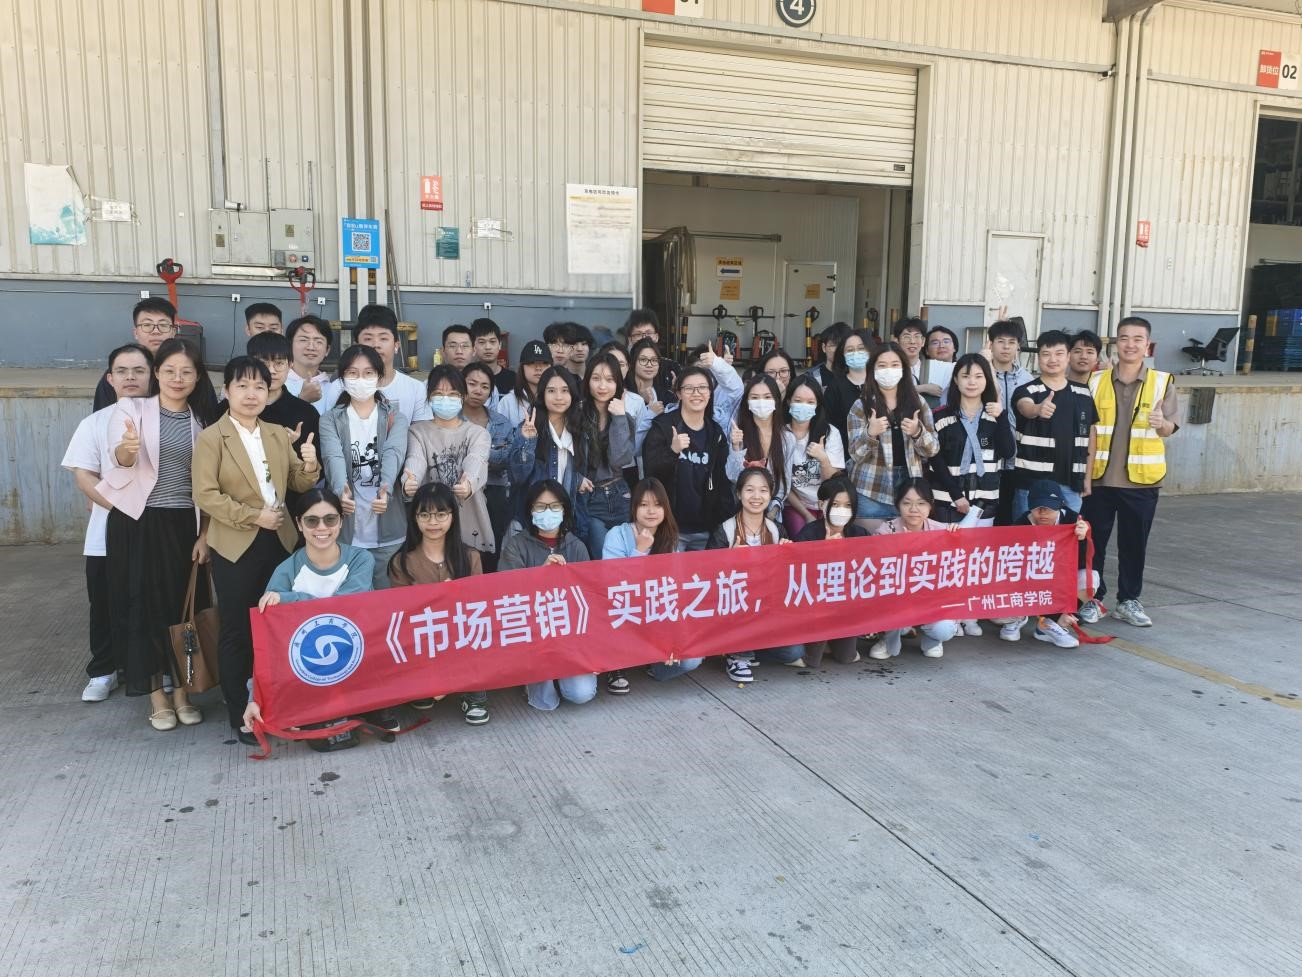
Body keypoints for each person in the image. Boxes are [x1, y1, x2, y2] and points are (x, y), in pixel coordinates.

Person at [193, 356, 322, 737]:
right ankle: (240, 712)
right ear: (226, 391)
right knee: (237, 628)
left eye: (259, 387)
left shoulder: (276, 433)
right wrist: (253, 516)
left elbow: (297, 482)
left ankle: (279, 702)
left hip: (279, 540)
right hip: (235, 544)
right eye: (243, 386)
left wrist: (310, 465)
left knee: (278, 625)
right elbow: (205, 494)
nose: (251, 394)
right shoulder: (211, 437)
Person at [97, 338, 217, 730]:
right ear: (156, 374)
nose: (177, 378)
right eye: (169, 371)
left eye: (186, 372)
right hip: (137, 522)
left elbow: (208, 485)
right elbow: (119, 459)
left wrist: (205, 534)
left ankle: (183, 692)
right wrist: (128, 450)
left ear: (197, 377)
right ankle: (157, 697)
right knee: (143, 608)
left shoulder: (203, 421)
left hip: (184, 525)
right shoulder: (131, 409)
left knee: (183, 610)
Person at [241, 489, 376, 746]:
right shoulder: (285, 570)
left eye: (330, 519)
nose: (322, 528)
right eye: (312, 521)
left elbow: (342, 608)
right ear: (299, 524)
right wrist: (254, 697)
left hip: (358, 662)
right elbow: (269, 644)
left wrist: (291, 600)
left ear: (341, 521)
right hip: (308, 670)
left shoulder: (361, 559)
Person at [61, 343, 154, 702]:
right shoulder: (95, 422)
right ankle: (103, 669)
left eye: (139, 370)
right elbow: (84, 475)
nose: (131, 377)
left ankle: (154, 668)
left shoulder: (167, 417)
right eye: (122, 371)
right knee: (104, 603)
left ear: (151, 376)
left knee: (152, 601)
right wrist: (119, 509)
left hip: (156, 530)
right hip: (106, 530)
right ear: (110, 378)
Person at [1081, 316, 1180, 629]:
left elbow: (1170, 427)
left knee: (1134, 544)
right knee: (1092, 544)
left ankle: (1128, 600)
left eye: (1138, 339)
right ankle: (1092, 599)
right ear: (1116, 343)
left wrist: (1161, 424)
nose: (1130, 344)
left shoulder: (1162, 382)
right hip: (1099, 478)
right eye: (1124, 338)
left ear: (1147, 345)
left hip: (1142, 481)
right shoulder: (1095, 380)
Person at [388, 482, 491, 724]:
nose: (433, 522)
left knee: (480, 632)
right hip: (423, 637)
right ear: (415, 518)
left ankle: (474, 693)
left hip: (461, 634)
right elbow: (401, 616)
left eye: (441, 514)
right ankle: (426, 684)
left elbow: (480, 606)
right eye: (424, 515)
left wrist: (454, 600)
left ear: (453, 516)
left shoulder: (470, 557)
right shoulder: (401, 562)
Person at [499, 481, 597, 711]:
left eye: (554, 506)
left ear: (564, 509)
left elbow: (590, 599)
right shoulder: (516, 545)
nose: (548, 512)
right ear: (530, 510)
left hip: (569, 636)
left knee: (581, 693)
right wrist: (540, 576)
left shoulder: (577, 547)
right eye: (541, 507)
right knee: (546, 701)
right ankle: (535, 678)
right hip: (533, 636)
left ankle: (562, 674)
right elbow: (505, 595)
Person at [319, 344, 410, 589]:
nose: (360, 379)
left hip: (389, 529)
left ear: (379, 378)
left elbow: (393, 453)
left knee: (387, 601)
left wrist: (386, 488)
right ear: (342, 379)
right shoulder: (330, 419)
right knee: (351, 599)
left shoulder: (395, 418)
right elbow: (333, 456)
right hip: (346, 532)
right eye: (352, 373)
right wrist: (341, 490)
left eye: (368, 373)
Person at [602, 477, 703, 683]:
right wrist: (639, 551)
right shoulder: (617, 535)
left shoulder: (669, 539)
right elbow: (613, 585)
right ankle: (617, 666)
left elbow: (675, 591)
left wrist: (673, 637)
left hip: (656, 617)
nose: (651, 511)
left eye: (657, 505)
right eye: (644, 505)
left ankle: (656, 665)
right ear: (634, 507)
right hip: (624, 615)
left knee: (692, 659)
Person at [707, 468, 803, 682]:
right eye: (750, 490)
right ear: (739, 493)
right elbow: (708, 577)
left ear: (771, 495)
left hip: (767, 610)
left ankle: (750, 649)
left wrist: (787, 556)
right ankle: (737, 655)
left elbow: (787, 580)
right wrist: (729, 560)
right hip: (735, 609)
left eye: (763, 490)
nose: (756, 496)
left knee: (793, 652)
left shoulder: (776, 530)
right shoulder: (725, 530)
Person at [846, 342, 939, 529]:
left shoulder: (918, 403)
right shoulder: (861, 405)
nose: (888, 370)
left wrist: (917, 432)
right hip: (870, 488)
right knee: (873, 543)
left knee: (905, 545)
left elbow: (932, 450)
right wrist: (870, 433)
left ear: (903, 369)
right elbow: (855, 454)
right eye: (882, 365)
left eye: (895, 365)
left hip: (909, 492)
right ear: (872, 370)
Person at [403, 365, 494, 557]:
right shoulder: (417, 431)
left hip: (468, 521)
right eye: (438, 394)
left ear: (463, 397)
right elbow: (415, 459)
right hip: (430, 522)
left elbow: (476, 459)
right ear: (428, 397)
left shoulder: (478, 433)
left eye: (453, 394)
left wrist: (468, 483)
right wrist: (409, 481)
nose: (445, 399)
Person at [642, 366, 736, 551]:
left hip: (706, 529)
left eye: (702, 388)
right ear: (679, 393)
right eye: (689, 388)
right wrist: (673, 451)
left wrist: (722, 527)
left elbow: (723, 483)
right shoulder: (663, 427)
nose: (696, 393)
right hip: (669, 528)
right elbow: (650, 473)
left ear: (710, 393)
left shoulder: (715, 433)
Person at [1012, 329, 1098, 520]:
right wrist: (1038, 409)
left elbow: (1090, 435)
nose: (1052, 359)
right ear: (1038, 358)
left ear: (1068, 357)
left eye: (1059, 353)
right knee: (1026, 533)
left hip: (1071, 483)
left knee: (1068, 534)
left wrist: (1087, 477)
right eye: (1046, 354)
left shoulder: (1083, 393)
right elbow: (1025, 406)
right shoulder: (1026, 390)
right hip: (1031, 483)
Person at [869, 479, 959, 659]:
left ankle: (933, 640)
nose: (913, 509)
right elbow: (875, 572)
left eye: (921, 503)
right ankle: (889, 639)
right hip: (896, 598)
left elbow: (954, 573)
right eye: (907, 503)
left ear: (930, 505)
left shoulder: (942, 531)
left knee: (945, 628)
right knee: (884, 605)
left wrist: (956, 539)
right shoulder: (886, 531)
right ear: (898, 505)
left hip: (929, 599)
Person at [1000, 480, 1091, 648]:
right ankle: (1017, 617)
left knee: (1090, 579)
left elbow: (1084, 562)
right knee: (999, 606)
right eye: (1037, 508)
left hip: (1060, 577)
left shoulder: (1073, 521)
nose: (1042, 513)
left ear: (1060, 505)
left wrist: (1083, 539)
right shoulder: (1021, 524)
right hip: (1029, 580)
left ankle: (1050, 623)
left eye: (1049, 508)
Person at [927, 353, 1014, 524]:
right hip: (946, 500)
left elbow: (1008, 452)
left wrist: (1002, 417)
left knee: (981, 543)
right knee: (946, 543)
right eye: (965, 376)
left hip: (985, 502)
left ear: (987, 380)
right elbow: (936, 460)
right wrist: (956, 495)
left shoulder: (995, 416)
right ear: (956, 380)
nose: (972, 382)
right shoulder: (940, 416)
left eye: (978, 376)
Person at [507, 366, 590, 539]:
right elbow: (517, 476)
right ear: (542, 394)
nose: (559, 397)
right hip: (532, 519)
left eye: (565, 390)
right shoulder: (529, 427)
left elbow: (577, 474)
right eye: (551, 391)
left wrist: (577, 479)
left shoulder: (579, 431)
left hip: (566, 521)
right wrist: (527, 441)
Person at [794, 476, 867, 667]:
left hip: (847, 609)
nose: (842, 510)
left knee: (846, 658)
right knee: (812, 661)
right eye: (835, 504)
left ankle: (835, 640)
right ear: (821, 504)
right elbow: (798, 576)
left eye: (847, 505)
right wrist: (824, 553)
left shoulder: (859, 535)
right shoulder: (809, 534)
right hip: (817, 609)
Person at [317, 305, 432, 423]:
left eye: (383, 338)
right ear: (356, 346)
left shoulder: (416, 389)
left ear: (396, 346)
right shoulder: (339, 387)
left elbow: (420, 431)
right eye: (368, 339)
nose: (376, 345)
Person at [247, 331, 319, 516]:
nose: (271, 370)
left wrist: (291, 449)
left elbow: (315, 472)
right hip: (243, 510)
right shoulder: (229, 409)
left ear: (290, 364)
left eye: (279, 363)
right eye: (264, 363)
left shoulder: (305, 413)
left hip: (291, 511)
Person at [576, 353, 635, 558]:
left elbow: (620, 460)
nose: (602, 386)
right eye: (596, 378)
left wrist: (619, 418)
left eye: (610, 380)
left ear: (618, 383)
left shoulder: (625, 418)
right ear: (587, 381)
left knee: (626, 558)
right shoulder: (576, 415)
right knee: (601, 558)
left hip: (620, 494)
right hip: (590, 496)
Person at [461, 362, 514, 571]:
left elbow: (506, 460)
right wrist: (488, 457)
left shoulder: (501, 422)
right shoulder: (450, 419)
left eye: (485, 386)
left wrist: (473, 456)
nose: (478, 390)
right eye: (472, 384)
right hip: (460, 490)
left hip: (494, 490)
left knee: (493, 546)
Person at [985, 319, 1034, 524]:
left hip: (1018, 460)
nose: (1006, 347)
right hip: (989, 459)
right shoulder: (981, 375)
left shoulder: (1027, 379)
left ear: (1018, 346)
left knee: (1013, 516)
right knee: (988, 516)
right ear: (991, 344)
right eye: (1000, 341)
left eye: (1011, 342)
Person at [782, 375, 845, 537]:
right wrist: (806, 515)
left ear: (817, 405)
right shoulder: (781, 434)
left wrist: (823, 458)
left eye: (810, 402)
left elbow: (834, 481)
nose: (804, 406)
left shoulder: (830, 433)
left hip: (828, 503)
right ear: (788, 401)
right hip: (796, 505)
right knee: (803, 537)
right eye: (798, 400)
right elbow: (783, 484)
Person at [726, 374, 794, 519]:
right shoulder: (738, 433)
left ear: (776, 401)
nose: (761, 402)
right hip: (741, 512)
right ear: (747, 402)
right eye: (755, 397)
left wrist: (772, 513)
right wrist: (736, 447)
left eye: (767, 397)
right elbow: (733, 477)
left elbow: (784, 484)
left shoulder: (787, 438)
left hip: (772, 513)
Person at [92, 297, 178, 410]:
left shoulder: (185, 370)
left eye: (163, 325)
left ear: (173, 332)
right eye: (147, 325)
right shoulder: (118, 373)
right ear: (136, 333)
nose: (156, 331)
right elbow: (102, 416)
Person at [821, 328, 872, 447]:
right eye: (850, 350)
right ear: (843, 355)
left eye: (861, 348)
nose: (856, 353)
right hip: (844, 451)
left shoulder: (879, 383)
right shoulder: (835, 387)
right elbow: (829, 425)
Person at [894, 318, 951, 408]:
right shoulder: (890, 367)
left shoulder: (936, 367)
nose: (912, 341)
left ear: (923, 341)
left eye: (917, 336)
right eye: (907, 337)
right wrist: (924, 388)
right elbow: (887, 391)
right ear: (897, 341)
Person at [624, 309, 680, 390]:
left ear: (657, 337)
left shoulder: (672, 367)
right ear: (630, 339)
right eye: (638, 334)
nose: (644, 338)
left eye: (648, 333)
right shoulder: (624, 367)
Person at [499, 340, 550, 428]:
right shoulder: (508, 401)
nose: (538, 368)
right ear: (522, 367)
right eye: (532, 362)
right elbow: (500, 434)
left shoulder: (558, 398)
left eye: (544, 363)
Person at [285, 314, 332, 405]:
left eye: (318, 341)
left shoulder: (334, 388)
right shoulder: (277, 382)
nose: (311, 347)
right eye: (303, 340)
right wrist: (303, 400)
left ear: (327, 350)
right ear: (289, 345)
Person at [470, 317, 516, 397]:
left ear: (500, 344)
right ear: (473, 346)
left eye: (492, 341)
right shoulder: (467, 378)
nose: (488, 347)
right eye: (482, 342)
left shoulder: (514, 379)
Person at [809, 322, 852, 389]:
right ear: (824, 347)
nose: (839, 349)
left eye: (844, 345)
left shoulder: (857, 375)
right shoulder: (812, 378)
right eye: (834, 345)